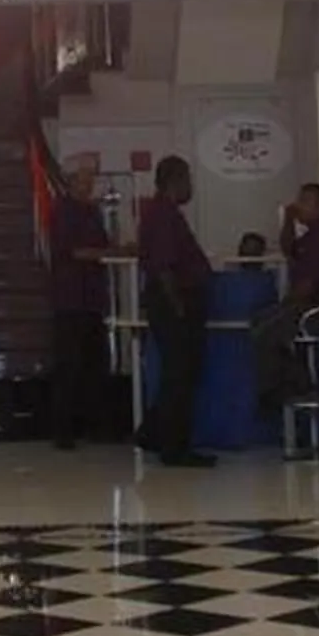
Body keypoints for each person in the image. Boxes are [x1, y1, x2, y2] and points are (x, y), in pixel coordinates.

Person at [134, 155, 214, 469]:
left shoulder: (159, 213)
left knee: (177, 374)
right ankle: (175, 447)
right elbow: (165, 266)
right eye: (188, 180)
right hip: (174, 303)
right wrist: (178, 305)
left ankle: (154, 432)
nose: (190, 187)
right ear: (176, 180)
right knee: (180, 376)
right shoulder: (164, 215)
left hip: (170, 302)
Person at [250, 180, 319, 413]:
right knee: (259, 321)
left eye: (304, 202)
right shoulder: (311, 236)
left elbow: (306, 287)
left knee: (266, 331)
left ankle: (288, 387)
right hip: (306, 309)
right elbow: (289, 248)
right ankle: (296, 381)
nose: (298, 206)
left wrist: (284, 305)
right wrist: (288, 219)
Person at [48, 158, 111, 449]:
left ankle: (96, 426)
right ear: (71, 183)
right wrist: (104, 252)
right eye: (83, 182)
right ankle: (63, 430)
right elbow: (73, 251)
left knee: (95, 366)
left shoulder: (93, 212)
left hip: (93, 301)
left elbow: (102, 247)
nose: (88, 187)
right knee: (69, 367)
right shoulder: (63, 211)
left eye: (91, 182)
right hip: (70, 300)